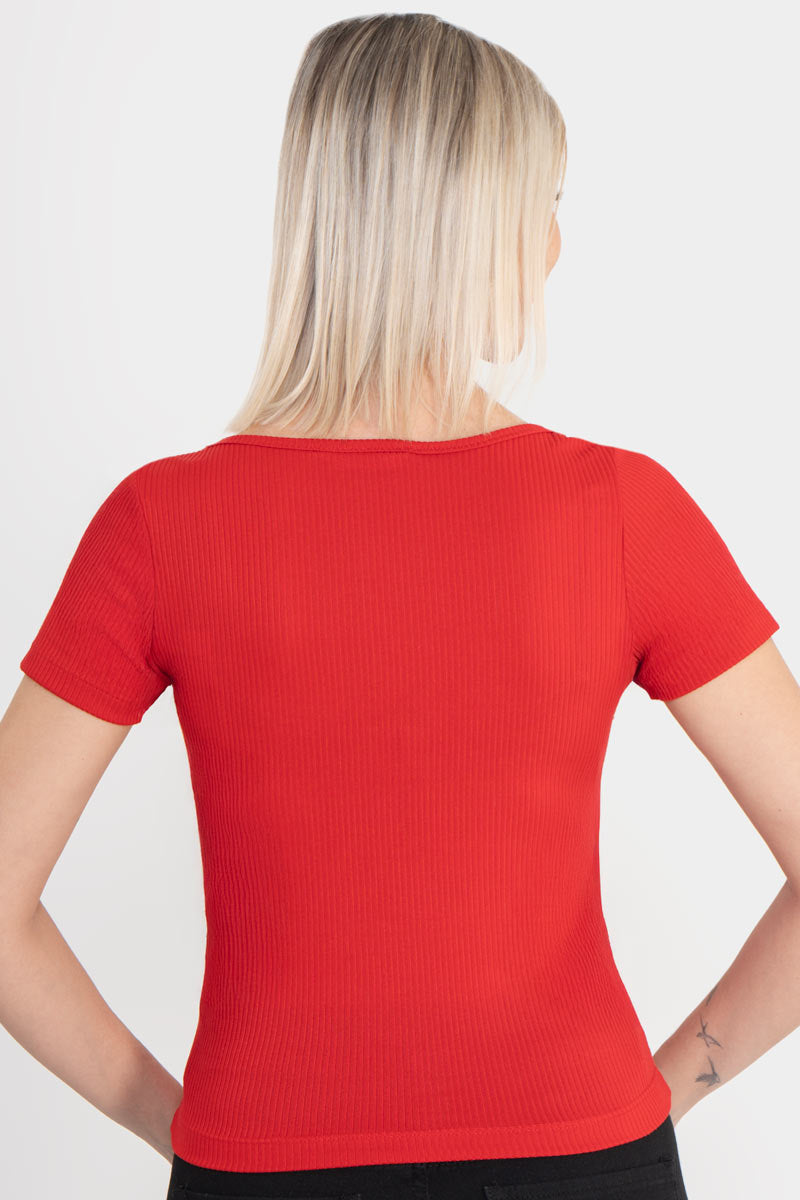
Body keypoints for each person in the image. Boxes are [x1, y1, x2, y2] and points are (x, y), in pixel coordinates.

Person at [0, 14, 795, 1200]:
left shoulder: (162, 522)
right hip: (579, 1163)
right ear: (462, 218)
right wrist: (663, 1091)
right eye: (541, 202)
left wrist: (184, 1127)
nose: (554, 247)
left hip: (270, 1168)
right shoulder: (618, 510)